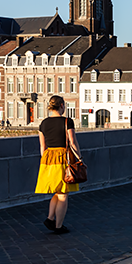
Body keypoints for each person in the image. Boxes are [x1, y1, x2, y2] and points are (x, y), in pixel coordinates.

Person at [35, 96, 82, 234]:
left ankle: (50, 219)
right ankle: (59, 226)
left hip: (48, 158)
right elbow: (72, 142)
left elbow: (42, 147)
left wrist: (45, 161)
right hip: (63, 157)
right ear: (62, 105)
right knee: (63, 193)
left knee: (57, 190)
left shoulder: (43, 123)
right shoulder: (67, 121)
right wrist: (79, 158)